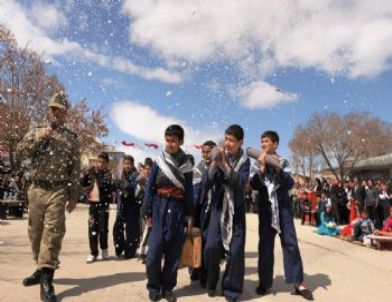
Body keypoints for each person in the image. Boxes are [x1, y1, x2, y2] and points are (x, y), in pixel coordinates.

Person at [18, 92, 81, 302]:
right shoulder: (36, 132)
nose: (55, 112)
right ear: (49, 110)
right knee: (35, 234)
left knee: (53, 233)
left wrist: (73, 195)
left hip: (58, 190)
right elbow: (21, 152)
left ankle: (47, 278)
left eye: (59, 110)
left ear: (65, 113)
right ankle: (40, 267)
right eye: (52, 108)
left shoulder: (71, 139)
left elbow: (75, 169)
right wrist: (39, 138)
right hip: (36, 189)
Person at [250, 130, 313, 301]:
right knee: (265, 246)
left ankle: (298, 282)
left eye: (267, 141)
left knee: (290, 243)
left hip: (283, 207)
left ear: (275, 144)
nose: (263, 144)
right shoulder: (256, 161)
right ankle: (264, 282)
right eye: (262, 141)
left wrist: (277, 168)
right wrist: (262, 168)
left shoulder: (284, 161)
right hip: (265, 208)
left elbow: (290, 183)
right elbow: (254, 185)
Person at [140, 124, 194, 302]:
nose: (169, 144)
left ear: (181, 141)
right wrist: (146, 208)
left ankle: (168, 287)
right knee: (154, 252)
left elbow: (189, 192)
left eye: (173, 141)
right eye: (167, 140)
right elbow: (150, 187)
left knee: (173, 252)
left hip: (177, 209)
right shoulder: (159, 161)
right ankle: (154, 286)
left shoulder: (186, 165)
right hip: (159, 207)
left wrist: (189, 215)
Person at [203, 124, 250, 302]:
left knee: (236, 251)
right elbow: (207, 183)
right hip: (218, 206)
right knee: (211, 247)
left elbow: (240, 183)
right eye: (226, 139)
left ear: (240, 142)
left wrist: (224, 164)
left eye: (232, 140)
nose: (227, 143)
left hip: (236, 209)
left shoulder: (245, 161)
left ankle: (231, 289)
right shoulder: (219, 155)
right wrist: (215, 163)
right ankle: (211, 280)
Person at [189, 140, 216, 283]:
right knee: (196, 241)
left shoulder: (218, 166)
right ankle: (194, 269)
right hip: (199, 209)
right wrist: (191, 213)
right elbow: (195, 192)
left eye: (209, 152)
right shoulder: (197, 170)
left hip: (213, 210)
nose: (206, 154)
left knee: (208, 244)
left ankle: (205, 274)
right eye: (204, 152)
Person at [80, 152, 114, 263]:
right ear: (96, 162)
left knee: (103, 228)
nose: (101, 164)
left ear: (107, 164)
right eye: (99, 161)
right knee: (92, 228)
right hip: (93, 205)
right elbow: (82, 183)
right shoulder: (89, 172)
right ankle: (93, 252)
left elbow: (107, 187)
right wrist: (86, 174)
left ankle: (104, 248)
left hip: (104, 205)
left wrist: (99, 176)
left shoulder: (108, 174)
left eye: (103, 162)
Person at [113, 155, 140, 259]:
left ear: (132, 164)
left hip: (133, 206)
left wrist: (123, 182)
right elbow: (114, 188)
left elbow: (134, 189)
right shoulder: (119, 174)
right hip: (122, 205)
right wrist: (115, 182)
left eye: (129, 164)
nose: (126, 166)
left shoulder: (136, 175)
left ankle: (130, 250)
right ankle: (119, 248)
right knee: (117, 228)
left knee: (131, 230)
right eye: (125, 163)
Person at [137, 158, 153, 263]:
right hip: (144, 210)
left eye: (150, 169)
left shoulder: (154, 181)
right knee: (145, 231)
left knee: (150, 232)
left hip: (152, 210)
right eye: (146, 168)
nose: (148, 171)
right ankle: (142, 253)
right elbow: (136, 194)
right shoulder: (141, 181)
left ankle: (148, 253)